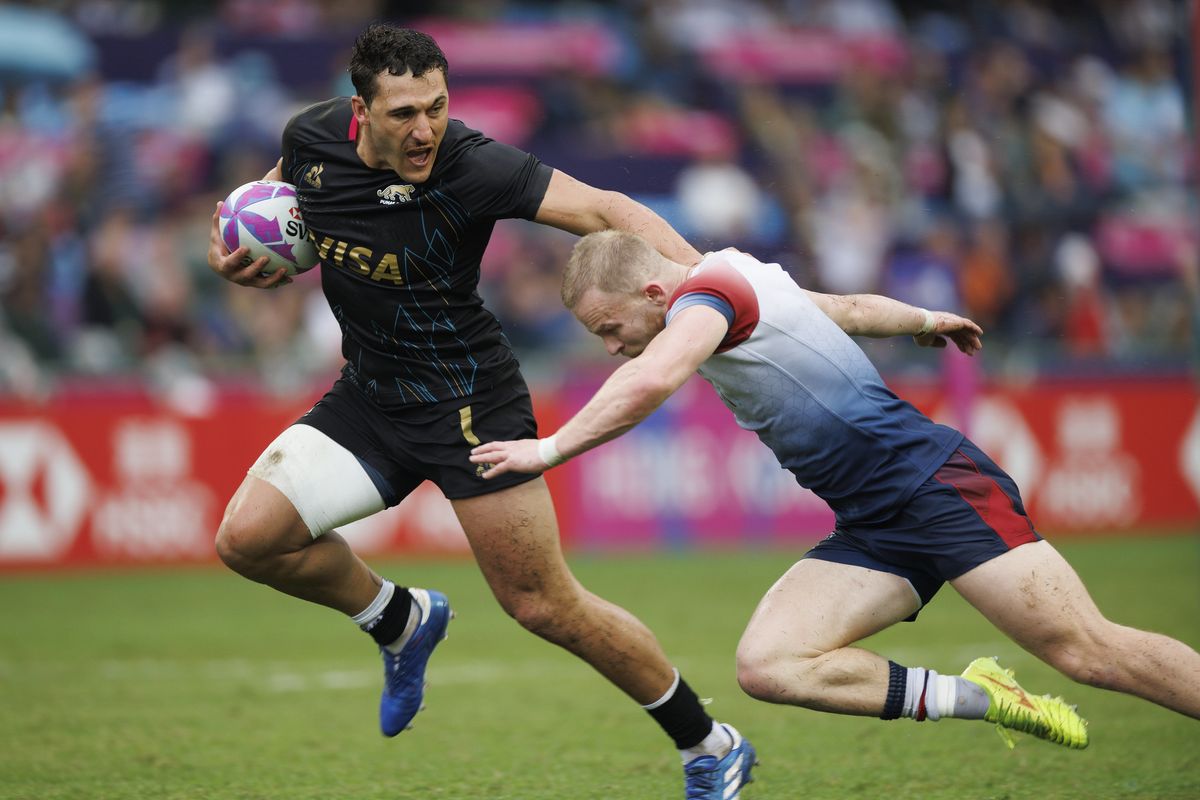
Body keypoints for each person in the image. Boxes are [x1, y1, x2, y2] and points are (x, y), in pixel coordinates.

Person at [205, 25, 755, 799]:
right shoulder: (310, 138)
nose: (424, 128)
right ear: (360, 113)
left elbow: (605, 208)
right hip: (369, 396)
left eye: (436, 106)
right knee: (248, 540)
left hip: (469, 406)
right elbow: (267, 204)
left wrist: (709, 283)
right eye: (403, 113)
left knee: (544, 606)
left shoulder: (473, 164)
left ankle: (710, 744)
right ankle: (397, 620)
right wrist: (233, 247)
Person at [470, 230, 1200, 749]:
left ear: (655, 292)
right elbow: (846, 309)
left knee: (1087, 652)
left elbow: (654, 377)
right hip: (874, 522)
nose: (610, 346)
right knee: (770, 665)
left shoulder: (709, 295)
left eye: (610, 327)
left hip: (936, 488)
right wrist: (923, 320)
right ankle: (985, 697)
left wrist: (551, 447)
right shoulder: (736, 272)